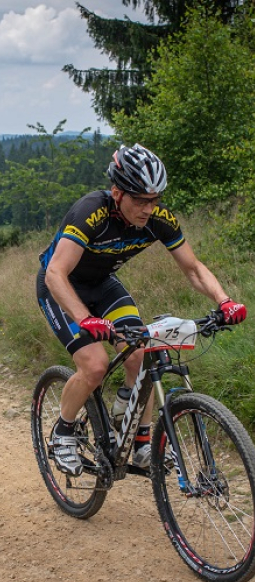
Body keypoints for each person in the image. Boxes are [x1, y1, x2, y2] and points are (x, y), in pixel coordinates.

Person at [36, 143, 246, 476]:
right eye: (140, 200)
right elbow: (55, 273)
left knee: (140, 354)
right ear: (117, 192)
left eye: (155, 200)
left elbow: (192, 268)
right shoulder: (91, 212)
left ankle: (140, 441)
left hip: (103, 285)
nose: (148, 209)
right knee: (95, 365)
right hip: (61, 288)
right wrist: (85, 319)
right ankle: (62, 430)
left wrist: (224, 301)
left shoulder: (159, 220)